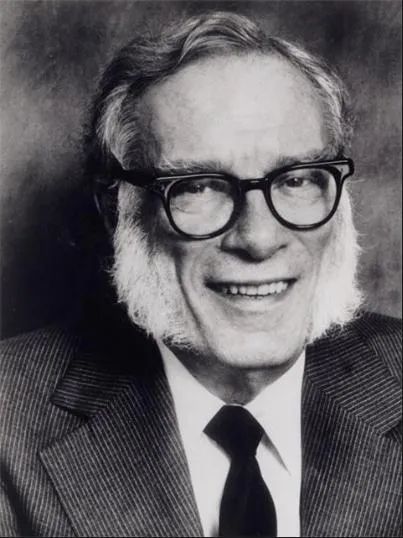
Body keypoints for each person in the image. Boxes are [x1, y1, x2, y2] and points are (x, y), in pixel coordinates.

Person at [0, 11, 401, 538]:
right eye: (198, 186)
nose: (258, 239)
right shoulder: (8, 422)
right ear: (116, 209)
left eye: (297, 179)